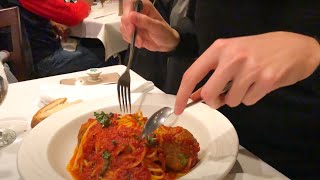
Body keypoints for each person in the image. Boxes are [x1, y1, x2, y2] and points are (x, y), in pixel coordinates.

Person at [120, 0, 320, 178]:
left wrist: (312, 51)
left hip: (291, 159)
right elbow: (210, 39)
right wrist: (176, 41)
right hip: (216, 150)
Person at [1, 0, 110, 78]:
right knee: (109, 54)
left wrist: (50, 22)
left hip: (14, 64)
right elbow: (74, 14)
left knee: (91, 45)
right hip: (42, 63)